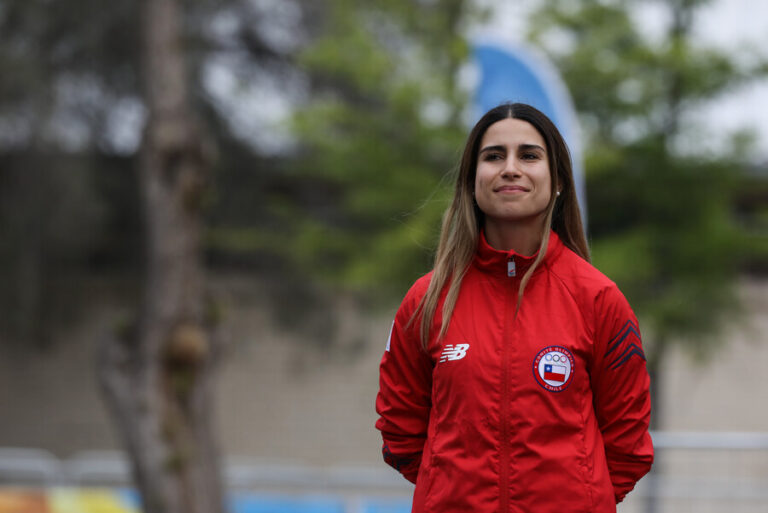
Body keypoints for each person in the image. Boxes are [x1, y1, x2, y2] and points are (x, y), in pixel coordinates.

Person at [375, 103, 653, 513]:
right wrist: (447, 488)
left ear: (557, 180)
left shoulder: (598, 298)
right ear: (472, 181)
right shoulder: (426, 299)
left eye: (528, 155)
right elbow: (399, 426)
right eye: (493, 156)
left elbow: (628, 442)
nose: (510, 168)